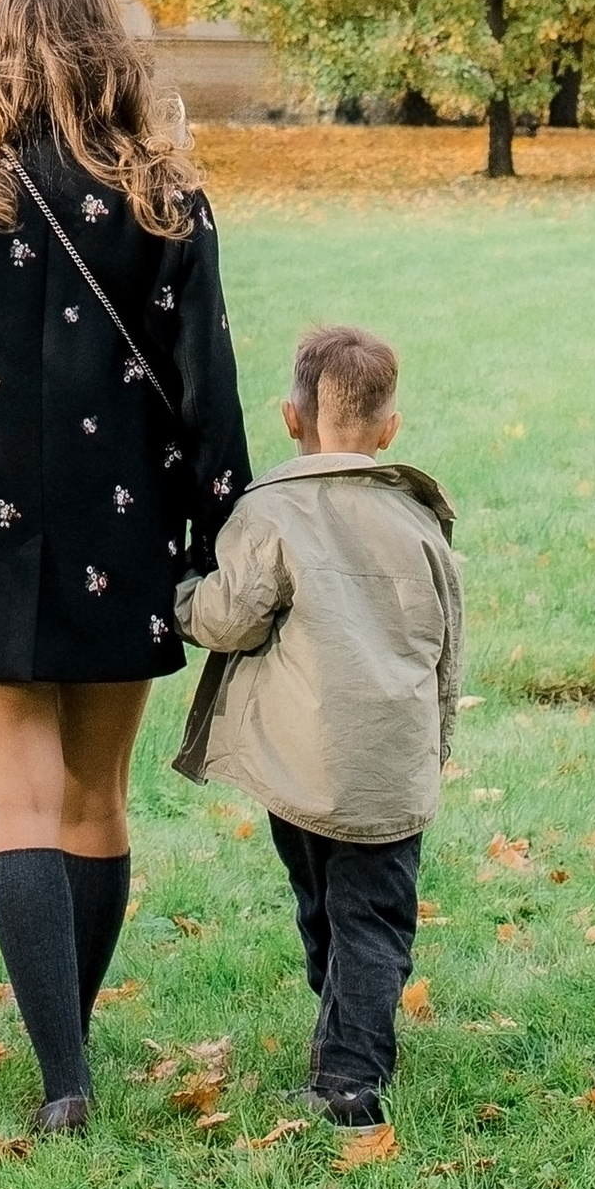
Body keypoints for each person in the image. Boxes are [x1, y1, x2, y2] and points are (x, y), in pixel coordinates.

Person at [0, 0, 249, 1132]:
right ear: (110, 55)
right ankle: (66, 1045)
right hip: (120, 526)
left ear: (5, 55)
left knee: (16, 807)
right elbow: (209, 389)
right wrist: (218, 528)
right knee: (93, 802)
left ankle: (62, 1075)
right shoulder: (168, 206)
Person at [171, 320, 461, 1129]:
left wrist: (184, 591)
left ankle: (350, 1079)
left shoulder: (271, 514)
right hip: (387, 763)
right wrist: (436, 743)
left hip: (299, 766)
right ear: (389, 429)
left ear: (290, 418)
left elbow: (227, 620)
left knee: (325, 904)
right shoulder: (420, 520)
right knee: (369, 914)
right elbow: (448, 642)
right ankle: (354, 1038)